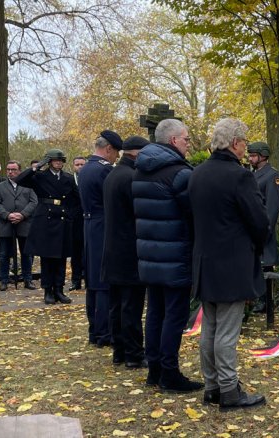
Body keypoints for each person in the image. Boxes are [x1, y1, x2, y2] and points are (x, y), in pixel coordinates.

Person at [189, 117, 268, 411]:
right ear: (235, 143)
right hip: (232, 263)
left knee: (209, 326)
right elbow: (258, 221)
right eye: (245, 143)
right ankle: (229, 390)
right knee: (226, 331)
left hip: (205, 260)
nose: (246, 148)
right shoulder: (239, 176)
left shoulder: (197, 174)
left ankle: (212, 386)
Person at [133, 118, 202, 393]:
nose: (188, 144)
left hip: (149, 255)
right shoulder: (179, 173)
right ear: (173, 140)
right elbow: (193, 213)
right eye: (186, 139)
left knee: (155, 313)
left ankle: (155, 370)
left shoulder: (141, 170)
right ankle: (170, 373)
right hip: (175, 255)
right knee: (174, 315)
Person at [103, 135, 150, 369]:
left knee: (116, 305)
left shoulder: (114, 174)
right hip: (129, 249)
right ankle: (133, 354)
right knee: (131, 305)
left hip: (113, 249)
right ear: (137, 153)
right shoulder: (131, 177)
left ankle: (119, 351)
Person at [15, 149, 77, 306]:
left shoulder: (68, 178)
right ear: (49, 162)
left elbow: (76, 198)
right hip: (45, 219)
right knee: (47, 258)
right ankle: (48, 290)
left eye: (61, 160)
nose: (59, 163)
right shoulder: (40, 176)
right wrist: (36, 167)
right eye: (55, 160)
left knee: (61, 257)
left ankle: (59, 289)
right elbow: (20, 180)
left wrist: (71, 214)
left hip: (62, 218)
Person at [79, 131, 122, 348]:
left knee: (93, 282)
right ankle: (105, 332)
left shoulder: (86, 167)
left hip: (89, 225)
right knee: (104, 282)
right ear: (108, 149)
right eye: (116, 153)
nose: (116, 157)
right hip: (103, 225)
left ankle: (94, 329)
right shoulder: (104, 170)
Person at [247, 141, 279, 313]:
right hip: (252, 227)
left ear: (263, 156)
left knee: (265, 266)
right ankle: (258, 299)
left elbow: (273, 207)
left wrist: (266, 230)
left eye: (253, 155)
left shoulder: (272, 175)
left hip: (263, 228)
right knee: (255, 266)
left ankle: (266, 301)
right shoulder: (252, 174)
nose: (250, 158)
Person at [0, 160, 39, 291]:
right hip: (6, 224)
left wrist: (22, 214)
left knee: (26, 253)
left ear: (19, 171)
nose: (10, 172)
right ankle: (4, 280)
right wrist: (8, 215)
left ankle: (27, 280)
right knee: (4, 254)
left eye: (13, 169)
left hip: (24, 223)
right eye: (8, 169)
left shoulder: (29, 185)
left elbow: (33, 202)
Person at [68, 156, 87, 291]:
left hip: (88, 220)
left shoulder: (89, 178)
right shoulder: (69, 180)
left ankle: (88, 278)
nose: (80, 167)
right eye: (77, 164)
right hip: (74, 221)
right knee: (75, 253)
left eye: (82, 164)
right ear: (73, 166)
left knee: (87, 253)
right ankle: (75, 280)